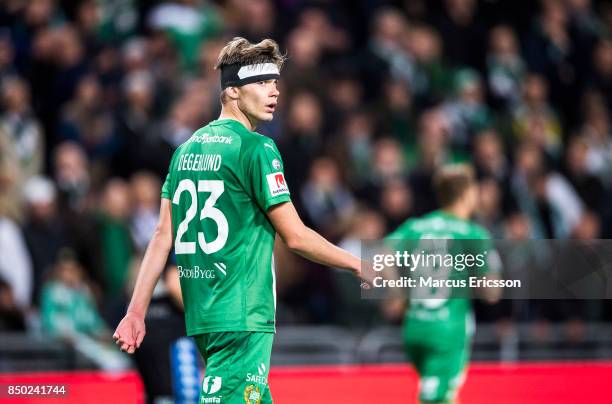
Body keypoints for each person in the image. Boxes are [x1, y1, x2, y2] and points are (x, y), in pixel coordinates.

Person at [113, 37, 363, 403]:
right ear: (232, 91)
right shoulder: (257, 148)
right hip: (243, 316)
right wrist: (356, 263)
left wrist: (136, 311)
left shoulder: (184, 151)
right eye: (262, 83)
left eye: (276, 82)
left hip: (204, 319)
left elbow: (161, 235)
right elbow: (295, 237)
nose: (274, 91)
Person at [385, 164, 501, 404]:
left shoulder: (415, 226)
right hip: (447, 329)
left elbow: (381, 252)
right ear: (467, 193)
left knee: (446, 394)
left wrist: (397, 293)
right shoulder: (473, 234)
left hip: (414, 326)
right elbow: (491, 293)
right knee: (436, 398)